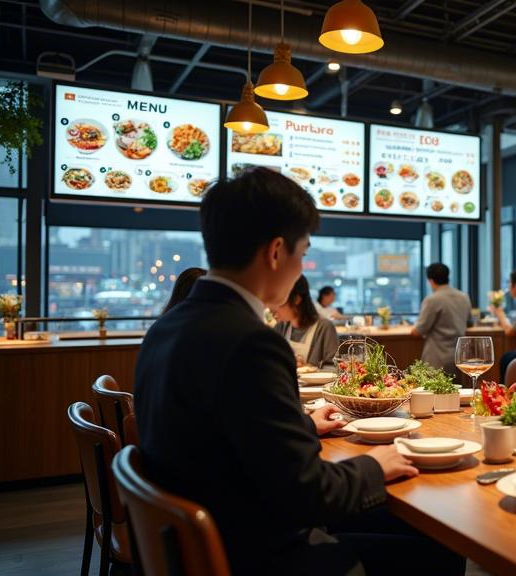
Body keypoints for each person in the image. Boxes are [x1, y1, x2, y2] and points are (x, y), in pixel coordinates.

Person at [133, 168, 463, 575]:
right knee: (440, 549)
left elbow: (222, 441)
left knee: (408, 525)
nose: (302, 264)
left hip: (207, 539)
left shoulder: (165, 328)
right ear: (276, 252)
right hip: (261, 554)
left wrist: (303, 428)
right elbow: (307, 494)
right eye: (303, 249)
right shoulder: (251, 342)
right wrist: (377, 464)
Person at [411, 263, 472, 375]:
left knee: (433, 390)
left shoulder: (432, 299)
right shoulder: (464, 297)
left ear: (431, 280)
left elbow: (418, 331)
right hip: (460, 356)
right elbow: (469, 321)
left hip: (437, 358)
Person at [272, 275, 341, 369]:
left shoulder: (324, 327)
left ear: (296, 299)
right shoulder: (280, 327)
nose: (273, 308)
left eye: (279, 301)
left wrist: (309, 368)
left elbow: (333, 368)